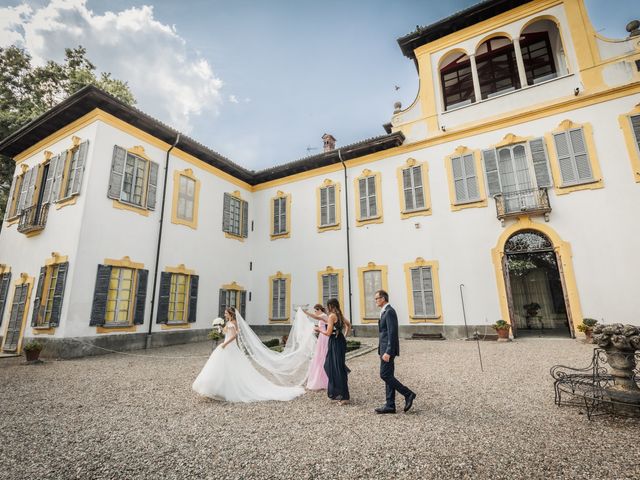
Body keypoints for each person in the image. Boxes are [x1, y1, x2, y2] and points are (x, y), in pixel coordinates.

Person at [192, 307, 305, 402]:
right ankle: (218, 388)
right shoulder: (228, 323)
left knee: (229, 365)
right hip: (225, 345)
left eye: (226, 313)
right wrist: (220, 329)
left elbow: (234, 336)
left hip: (229, 346)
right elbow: (226, 333)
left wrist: (225, 344)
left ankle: (229, 389)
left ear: (230, 314)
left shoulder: (234, 322)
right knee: (222, 366)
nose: (224, 314)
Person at [374, 289, 416, 414]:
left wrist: (388, 351)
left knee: (384, 375)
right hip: (384, 349)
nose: (375, 301)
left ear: (383, 299)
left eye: (377, 298)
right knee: (389, 376)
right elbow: (384, 333)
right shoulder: (384, 312)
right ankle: (390, 405)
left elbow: (392, 333)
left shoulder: (390, 311)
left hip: (388, 350)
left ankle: (408, 393)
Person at [316, 298, 351, 405]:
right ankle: (338, 394)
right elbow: (348, 325)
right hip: (339, 341)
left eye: (327, 305)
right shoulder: (339, 314)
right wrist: (344, 336)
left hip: (335, 343)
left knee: (335, 368)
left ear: (331, 306)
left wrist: (319, 330)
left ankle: (344, 397)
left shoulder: (331, 316)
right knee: (332, 366)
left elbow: (327, 333)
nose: (326, 307)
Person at [305, 304, 329, 390]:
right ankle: (320, 379)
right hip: (322, 337)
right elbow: (320, 327)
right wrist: (314, 328)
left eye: (315, 310)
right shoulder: (322, 316)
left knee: (322, 356)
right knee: (320, 357)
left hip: (325, 337)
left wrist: (305, 312)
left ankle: (324, 379)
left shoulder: (324, 315)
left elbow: (323, 326)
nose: (315, 312)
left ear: (319, 310)